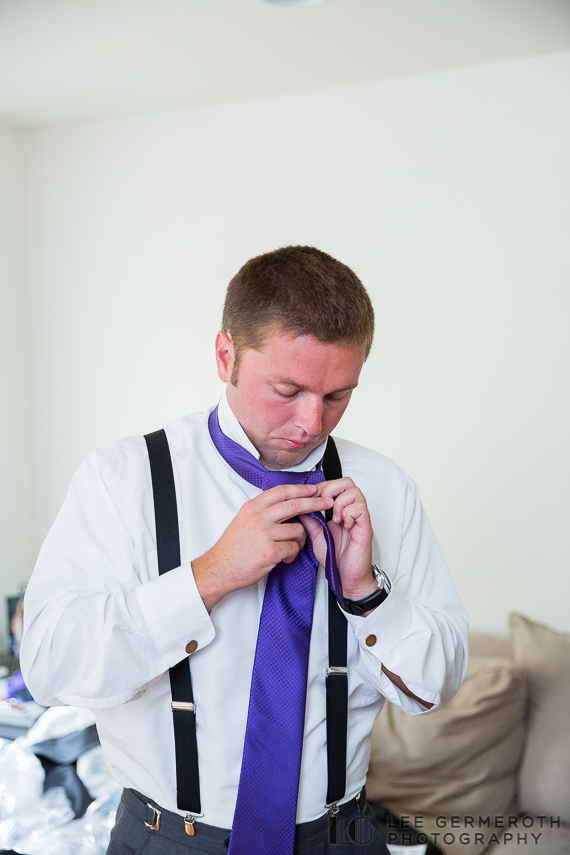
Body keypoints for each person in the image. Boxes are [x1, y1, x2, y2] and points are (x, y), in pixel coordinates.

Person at [21, 245, 468, 855]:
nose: (313, 422)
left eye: (338, 395)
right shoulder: (123, 478)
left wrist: (367, 595)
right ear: (225, 355)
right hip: (166, 840)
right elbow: (48, 665)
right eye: (287, 389)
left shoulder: (384, 489)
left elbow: (436, 685)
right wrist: (206, 578)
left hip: (341, 839)